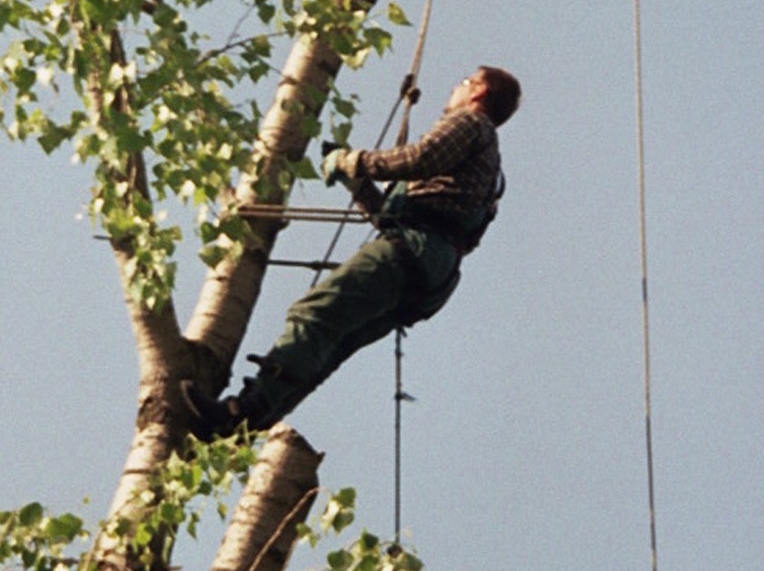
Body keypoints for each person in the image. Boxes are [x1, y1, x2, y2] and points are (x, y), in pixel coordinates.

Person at [186, 66, 521, 438]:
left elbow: (418, 159)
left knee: (314, 314)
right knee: (332, 345)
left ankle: (242, 410)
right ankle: (243, 427)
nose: (455, 88)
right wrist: (358, 184)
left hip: (413, 250)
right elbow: (391, 215)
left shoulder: (471, 125)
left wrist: (352, 160)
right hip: (430, 275)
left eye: (464, 81)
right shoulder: (486, 173)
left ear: (479, 92)